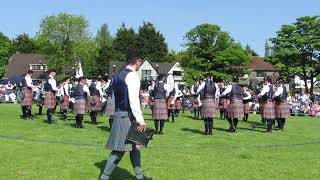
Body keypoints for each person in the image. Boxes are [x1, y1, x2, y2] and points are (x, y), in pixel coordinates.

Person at [100, 49, 152, 180]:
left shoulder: (118, 75)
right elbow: (134, 100)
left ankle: (140, 177)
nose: (140, 62)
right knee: (119, 150)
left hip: (120, 114)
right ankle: (104, 178)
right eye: (140, 60)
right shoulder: (133, 76)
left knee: (134, 147)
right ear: (136, 60)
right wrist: (141, 120)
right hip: (127, 116)